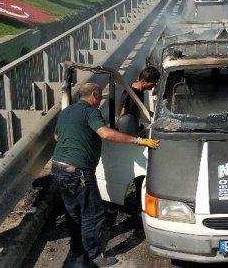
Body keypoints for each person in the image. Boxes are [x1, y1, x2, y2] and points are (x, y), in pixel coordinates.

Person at [51, 82, 159, 267]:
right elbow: (106, 134)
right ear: (94, 94)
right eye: (100, 96)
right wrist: (139, 140)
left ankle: (78, 250)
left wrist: (81, 138)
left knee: (73, 213)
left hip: (58, 169)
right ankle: (93, 255)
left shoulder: (66, 112)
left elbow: (56, 137)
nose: (100, 100)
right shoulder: (91, 111)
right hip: (78, 172)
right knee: (94, 214)